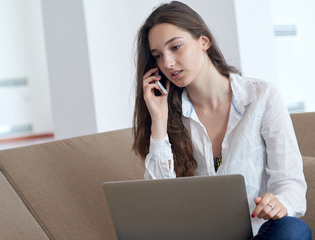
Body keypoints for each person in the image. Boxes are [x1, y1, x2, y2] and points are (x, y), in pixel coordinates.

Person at [132, 1, 312, 239]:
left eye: (175, 47)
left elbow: (290, 183)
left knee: (293, 230)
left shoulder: (262, 97)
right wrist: (158, 123)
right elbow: (160, 203)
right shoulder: (169, 116)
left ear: (203, 42)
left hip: (261, 233)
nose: (167, 63)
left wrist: (278, 204)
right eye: (158, 56)